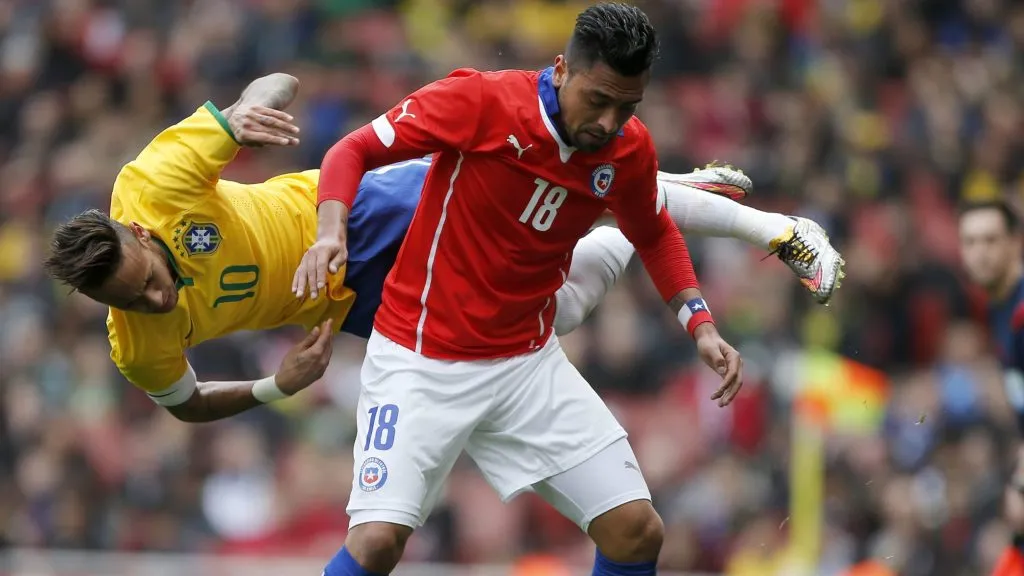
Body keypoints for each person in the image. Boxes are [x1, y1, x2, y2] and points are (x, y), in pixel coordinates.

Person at [295, 4, 840, 575]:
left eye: (627, 107)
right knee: (377, 543)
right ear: (561, 70)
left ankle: (763, 223)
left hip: (525, 365)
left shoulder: (627, 148)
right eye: (599, 100)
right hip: (420, 359)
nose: (609, 122)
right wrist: (330, 234)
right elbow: (351, 149)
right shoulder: (482, 102)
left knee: (636, 532)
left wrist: (699, 325)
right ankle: (767, 225)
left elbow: (653, 230)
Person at [42, 72, 841, 425]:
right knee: (554, 313)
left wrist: (250, 107)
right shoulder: (135, 344)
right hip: (362, 304)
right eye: (131, 302)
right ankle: (647, 197)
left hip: (364, 216)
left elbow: (280, 82)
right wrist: (273, 389)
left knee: (546, 197)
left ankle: (779, 231)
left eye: (147, 280)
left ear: (140, 235)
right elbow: (187, 408)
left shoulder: (155, 182)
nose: (155, 301)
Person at [958, 200, 1024, 576]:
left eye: (990, 240)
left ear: (1016, 243)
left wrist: (1020, 481)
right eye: (970, 242)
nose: (979, 253)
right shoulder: (1000, 308)